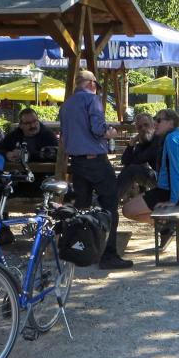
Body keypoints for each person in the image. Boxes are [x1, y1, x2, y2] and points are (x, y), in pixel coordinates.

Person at [58, 70, 131, 270]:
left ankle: (82, 250)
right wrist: (111, 132)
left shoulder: (66, 105)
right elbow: (98, 129)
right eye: (96, 85)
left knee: (81, 208)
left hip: (77, 162)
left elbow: (63, 139)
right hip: (95, 160)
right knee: (110, 205)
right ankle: (109, 255)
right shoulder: (92, 100)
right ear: (91, 84)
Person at [122, 109, 179, 251]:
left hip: (173, 192)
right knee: (129, 207)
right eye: (155, 119)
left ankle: (166, 225)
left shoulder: (171, 140)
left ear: (171, 123)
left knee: (127, 210)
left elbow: (176, 172)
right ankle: (165, 226)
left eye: (159, 120)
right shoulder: (175, 136)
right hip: (173, 190)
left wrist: (173, 201)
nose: (155, 123)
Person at [116, 112, 161, 201]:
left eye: (146, 125)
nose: (143, 128)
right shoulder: (144, 142)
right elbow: (125, 161)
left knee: (132, 169)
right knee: (133, 168)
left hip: (167, 180)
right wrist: (131, 144)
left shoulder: (158, 139)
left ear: (153, 125)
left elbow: (138, 160)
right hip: (158, 177)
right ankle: (114, 198)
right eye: (140, 127)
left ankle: (111, 200)